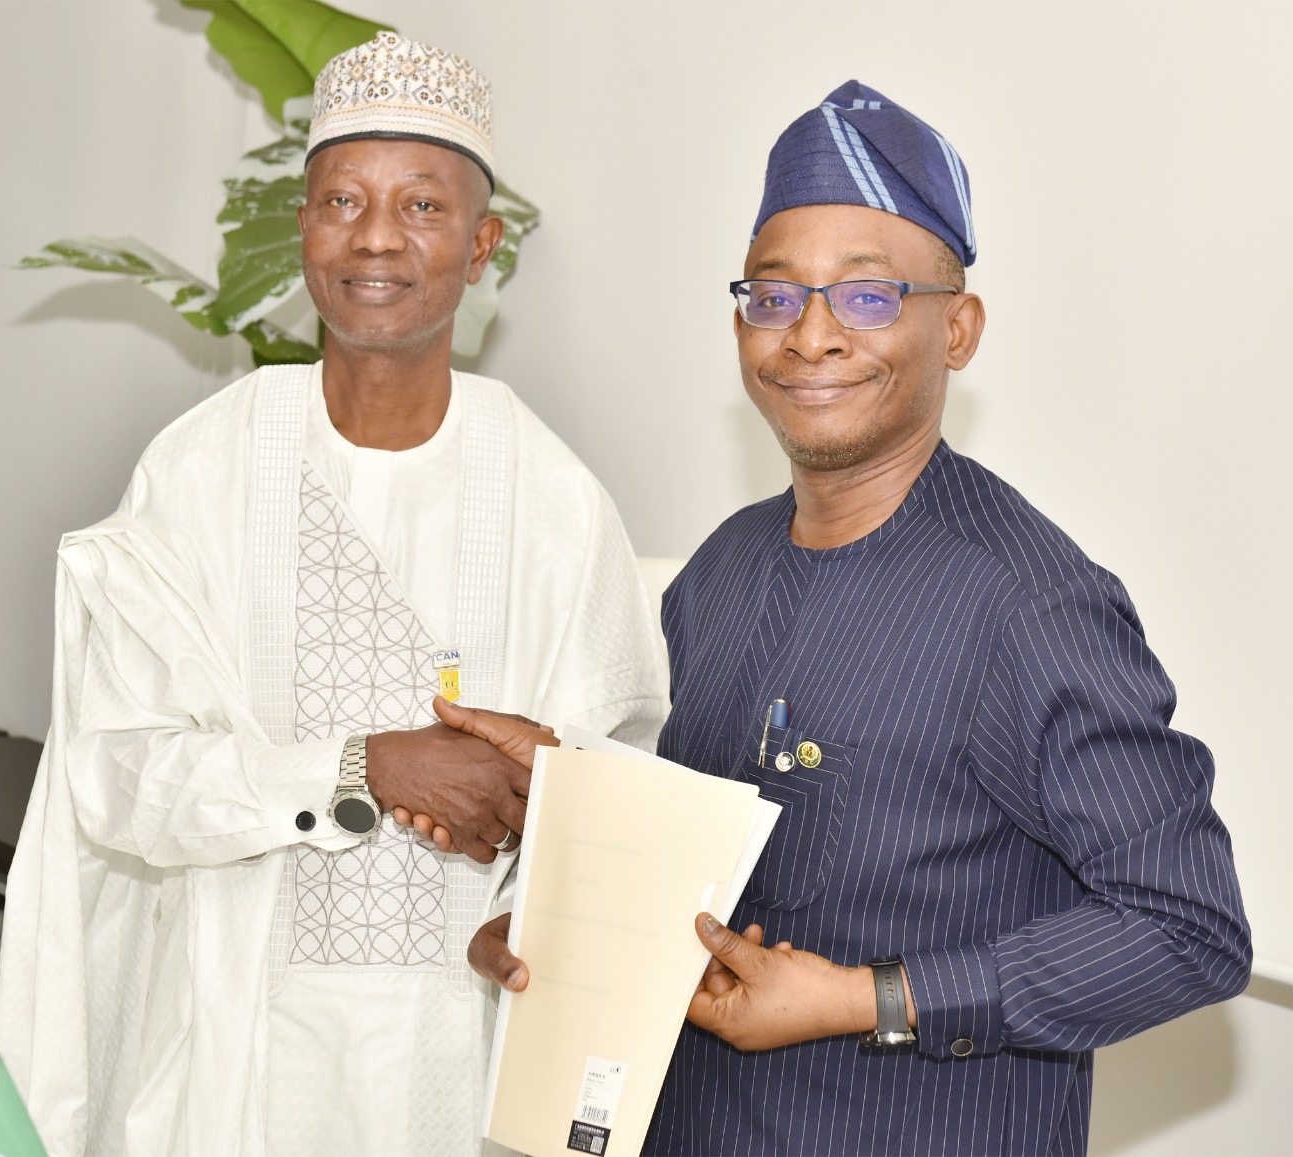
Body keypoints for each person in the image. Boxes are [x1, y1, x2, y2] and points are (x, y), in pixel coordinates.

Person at [460, 80, 1250, 1155]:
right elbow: (718, 859)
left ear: (957, 328)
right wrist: (567, 891)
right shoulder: (724, 567)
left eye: (868, 297)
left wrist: (860, 997)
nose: (810, 336)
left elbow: (1186, 928)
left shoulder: (1027, 601)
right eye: (773, 296)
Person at [0, 32, 667, 1157]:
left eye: (421, 206)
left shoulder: (553, 495)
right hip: (231, 1048)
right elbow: (113, 774)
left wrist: (547, 843)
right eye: (342, 200)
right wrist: (362, 765)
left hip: (458, 1050)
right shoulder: (200, 465)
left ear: (481, 240)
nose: (376, 238)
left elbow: (619, 770)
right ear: (300, 225)